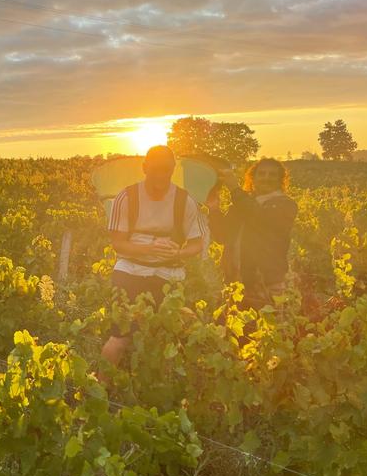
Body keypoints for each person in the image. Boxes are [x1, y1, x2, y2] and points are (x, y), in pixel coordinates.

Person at [101, 146, 205, 366]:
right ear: (145, 168)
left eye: (166, 169)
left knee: (173, 336)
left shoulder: (185, 201)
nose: (161, 175)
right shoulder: (127, 196)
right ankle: (99, 392)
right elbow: (118, 244)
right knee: (120, 339)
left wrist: (178, 252)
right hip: (130, 270)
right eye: (155, 169)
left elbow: (197, 243)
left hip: (171, 273)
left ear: (173, 169)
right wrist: (149, 249)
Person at [209, 158, 297, 309]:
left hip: (267, 282)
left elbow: (259, 218)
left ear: (280, 180)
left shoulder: (286, 205)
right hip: (236, 282)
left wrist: (235, 190)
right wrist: (214, 210)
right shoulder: (242, 204)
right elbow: (222, 236)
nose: (266, 178)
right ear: (253, 178)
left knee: (268, 329)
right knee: (235, 331)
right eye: (261, 174)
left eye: (272, 175)